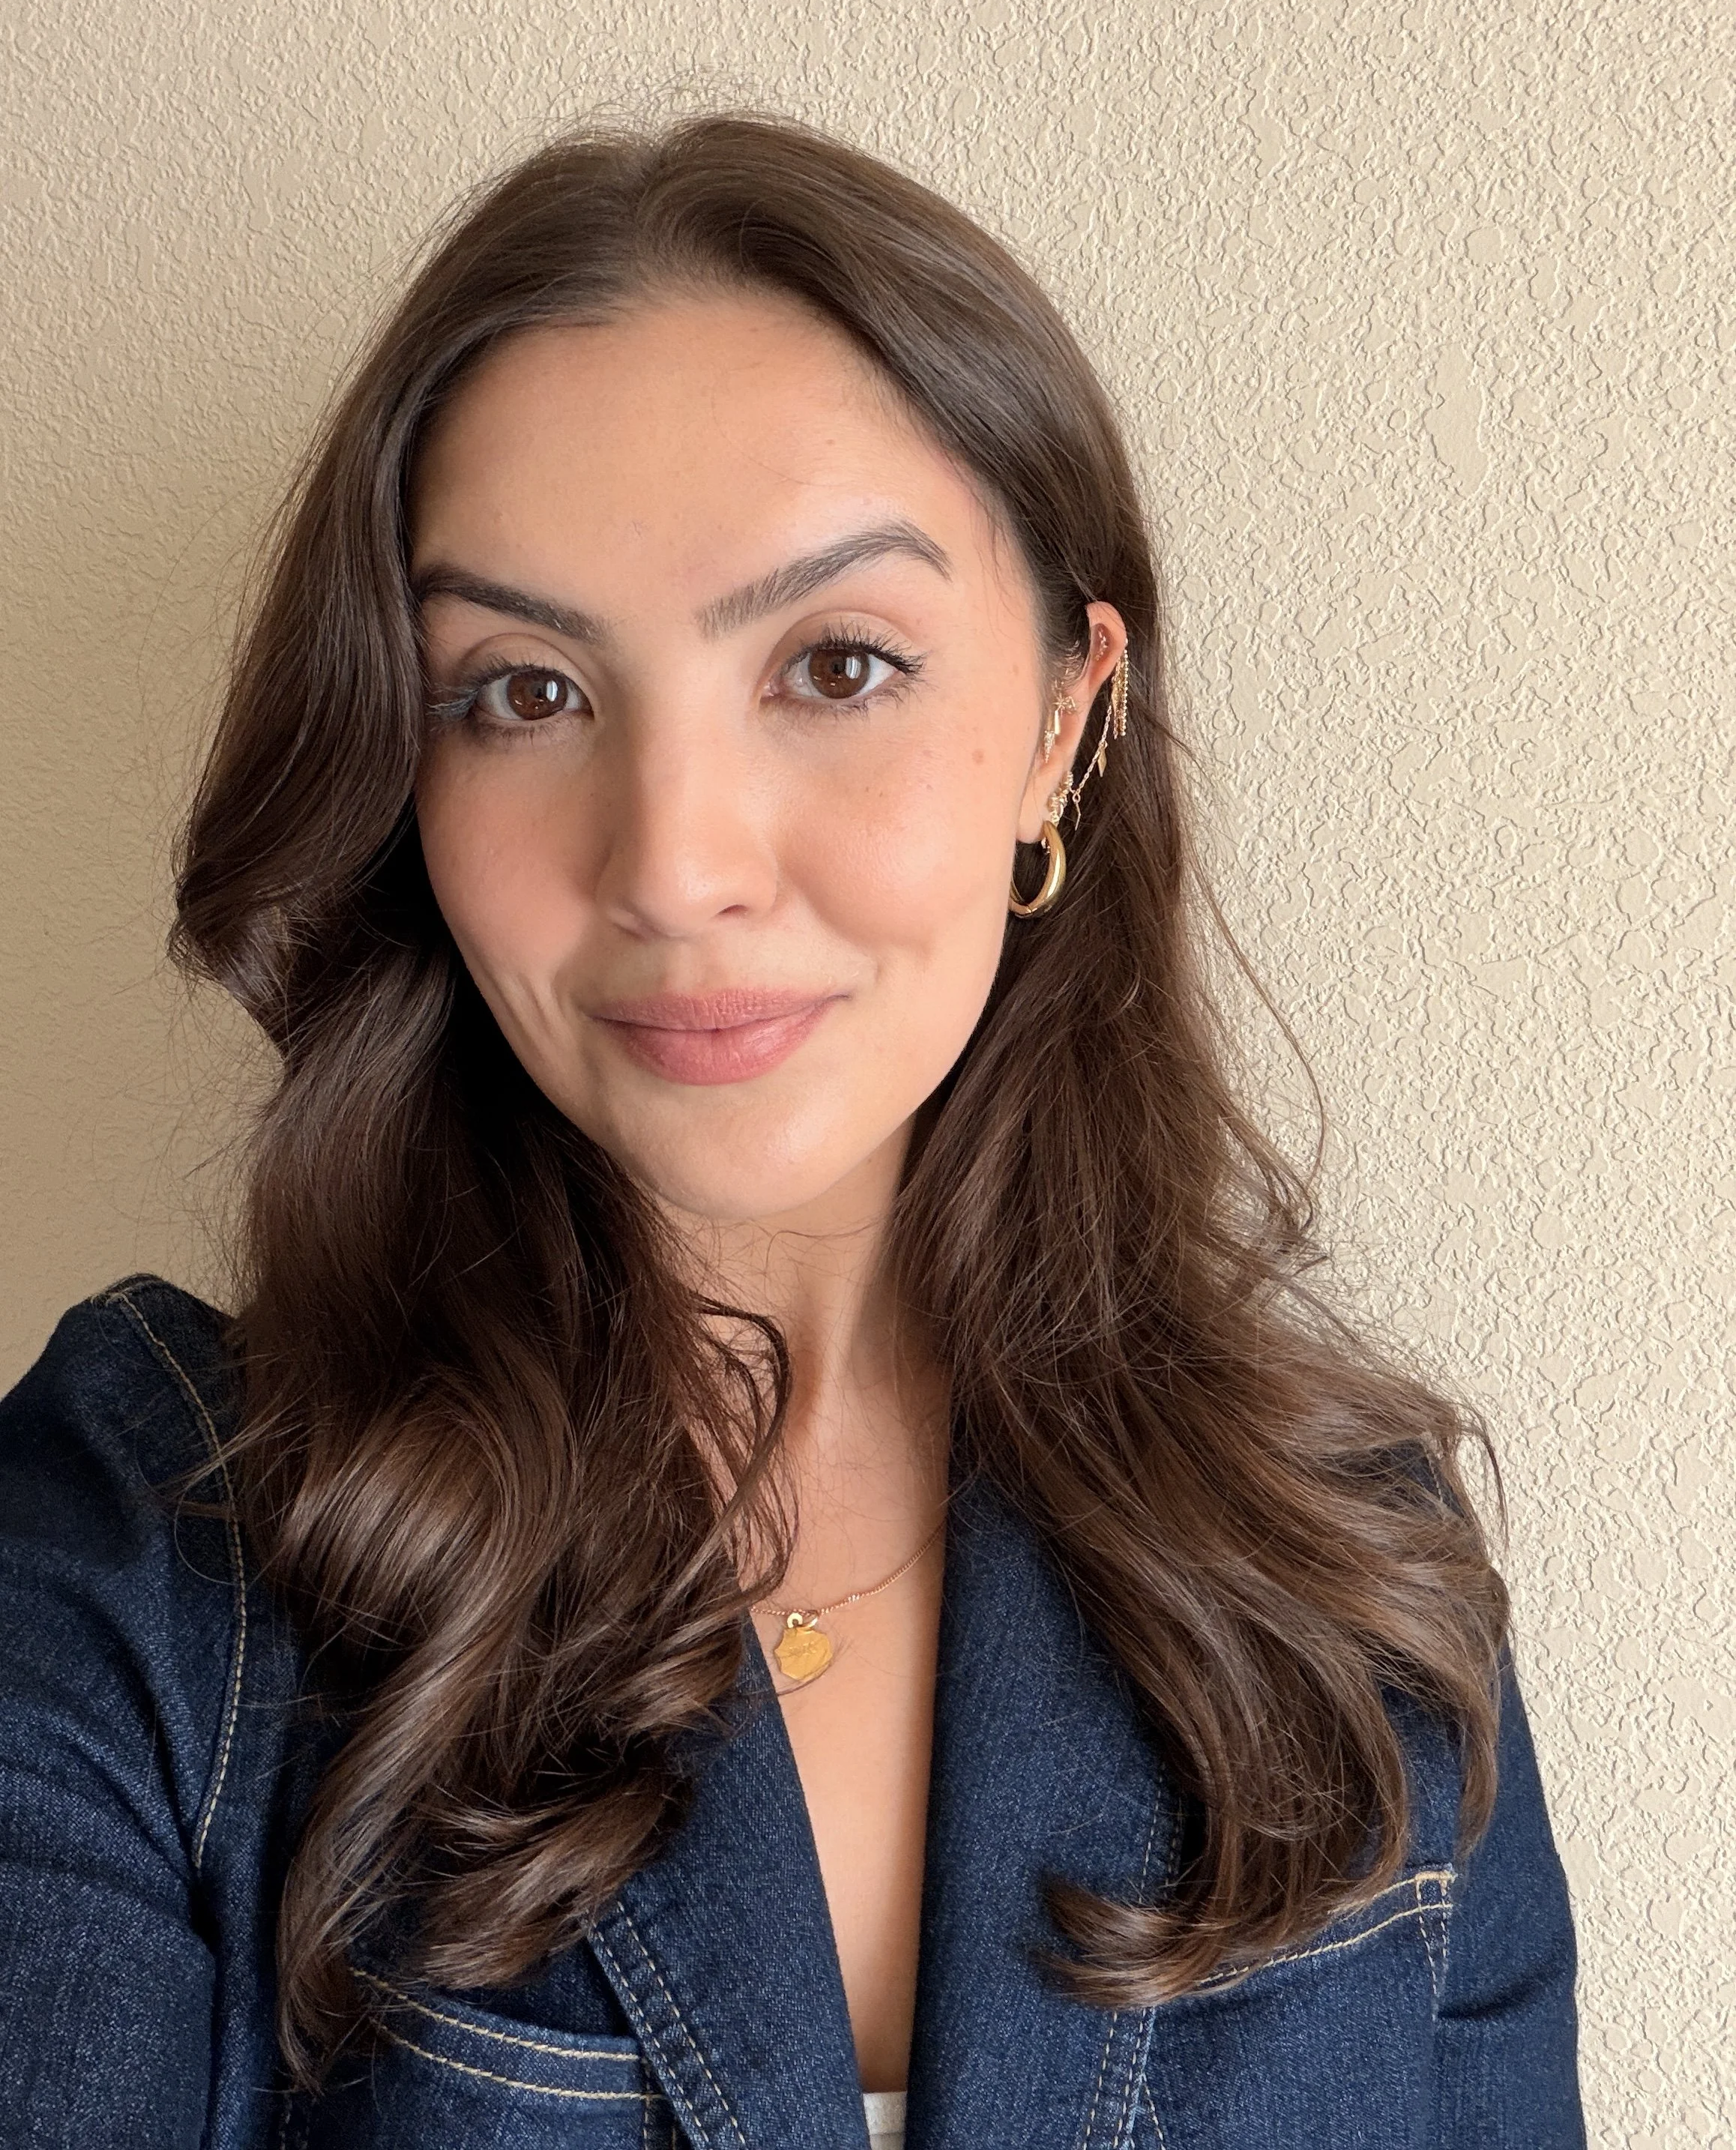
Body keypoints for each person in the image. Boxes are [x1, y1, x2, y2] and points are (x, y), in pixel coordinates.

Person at [0, 113, 1583, 2149]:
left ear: (1065, 725)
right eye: (522, 693)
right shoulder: (147, 1552)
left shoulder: (1350, 1588)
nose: (675, 864)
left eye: (836, 665)